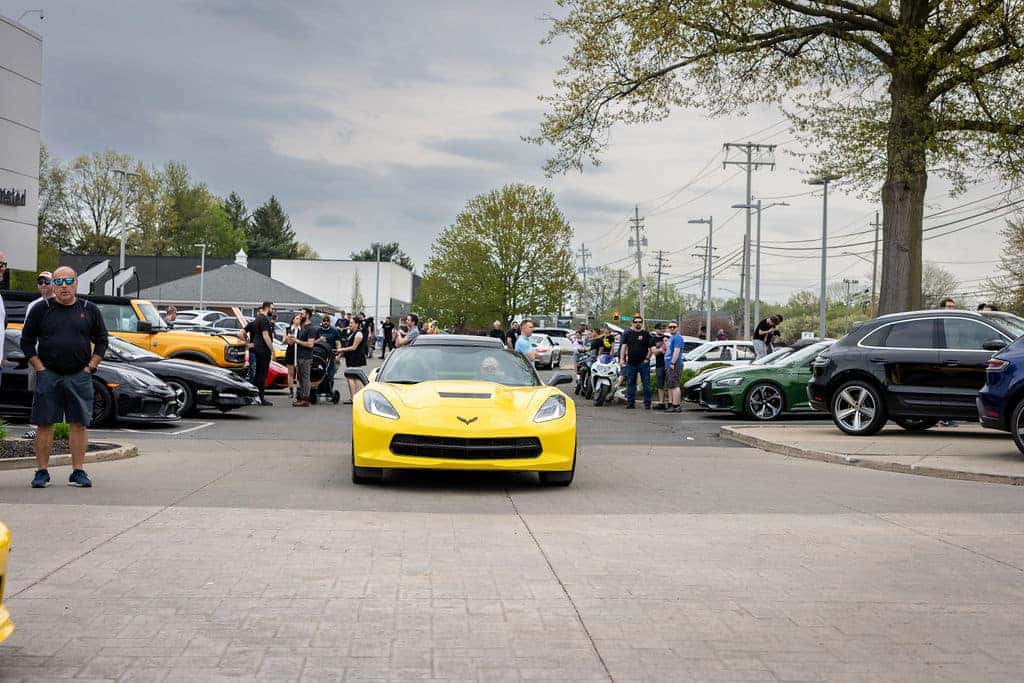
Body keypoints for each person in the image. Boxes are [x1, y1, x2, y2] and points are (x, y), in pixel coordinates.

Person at [21, 267, 109, 488]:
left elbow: (102, 340)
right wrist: (39, 367)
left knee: (79, 424)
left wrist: (91, 366)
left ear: (76, 283)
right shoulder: (41, 309)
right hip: (48, 374)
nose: (63, 285)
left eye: (69, 281)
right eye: (58, 281)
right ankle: (41, 472)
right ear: (53, 285)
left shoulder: (89, 309)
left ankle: (78, 472)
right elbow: (26, 341)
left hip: (79, 375)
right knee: (44, 423)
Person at [620, 314, 654, 409]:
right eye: (636, 322)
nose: (638, 323)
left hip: (643, 364)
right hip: (631, 363)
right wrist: (622, 359)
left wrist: (647, 359)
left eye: (640, 322)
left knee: (646, 384)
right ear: (632, 323)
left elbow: (651, 348)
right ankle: (630, 403)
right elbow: (624, 347)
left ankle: (647, 404)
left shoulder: (646, 334)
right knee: (631, 383)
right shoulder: (628, 334)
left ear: (642, 323)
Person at [250, 301, 276, 406]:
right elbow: (266, 336)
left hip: (257, 349)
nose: (273, 310)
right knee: (262, 374)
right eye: (272, 308)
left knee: (258, 375)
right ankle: (261, 398)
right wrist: (272, 350)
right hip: (263, 350)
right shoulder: (264, 320)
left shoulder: (257, 319)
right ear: (267, 308)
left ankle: (256, 397)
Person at [289, 309, 316, 407]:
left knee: (305, 378)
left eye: (302, 313)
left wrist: (297, 341)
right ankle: (301, 397)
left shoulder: (311, 328)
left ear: (307, 315)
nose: (300, 315)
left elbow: (310, 344)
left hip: (306, 357)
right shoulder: (302, 327)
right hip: (299, 356)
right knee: (300, 378)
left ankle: (305, 399)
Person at [314, 313, 343, 398]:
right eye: (324, 321)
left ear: (329, 322)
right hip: (319, 356)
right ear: (322, 322)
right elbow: (312, 342)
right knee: (319, 373)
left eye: (327, 321)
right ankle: (318, 391)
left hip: (330, 355)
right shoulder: (318, 331)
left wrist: (338, 352)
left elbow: (338, 343)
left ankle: (329, 391)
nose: (326, 322)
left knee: (330, 374)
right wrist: (319, 339)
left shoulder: (334, 331)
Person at [340, 317, 366, 404]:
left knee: (351, 377)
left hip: (355, 358)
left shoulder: (358, 334)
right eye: (349, 323)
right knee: (352, 378)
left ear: (357, 324)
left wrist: (342, 350)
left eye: (351, 323)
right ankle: (355, 398)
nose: (350, 325)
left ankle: (354, 398)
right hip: (350, 358)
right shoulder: (352, 333)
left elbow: (354, 347)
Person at [664, 321, 685, 413]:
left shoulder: (678, 338)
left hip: (675, 364)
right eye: (670, 327)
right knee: (672, 385)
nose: (672, 328)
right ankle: (674, 404)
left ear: (677, 328)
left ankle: (676, 406)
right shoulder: (672, 338)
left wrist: (672, 363)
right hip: (669, 363)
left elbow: (677, 351)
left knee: (675, 385)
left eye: (674, 327)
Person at [283, 312, 302, 398]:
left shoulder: (302, 329)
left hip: (299, 351)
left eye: (300, 318)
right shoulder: (288, 329)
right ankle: (291, 391)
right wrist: (287, 337)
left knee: (299, 373)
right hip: (290, 351)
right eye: (297, 318)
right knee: (290, 373)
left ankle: (298, 391)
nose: (299, 320)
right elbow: (283, 342)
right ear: (293, 320)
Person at [651, 323, 668, 410]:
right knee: (660, 384)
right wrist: (661, 350)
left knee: (670, 384)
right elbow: (654, 351)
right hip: (659, 364)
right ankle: (661, 403)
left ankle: (671, 402)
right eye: (660, 328)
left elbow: (669, 350)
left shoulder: (667, 338)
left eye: (664, 328)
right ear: (656, 329)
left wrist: (663, 347)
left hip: (668, 364)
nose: (662, 330)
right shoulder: (653, 339)